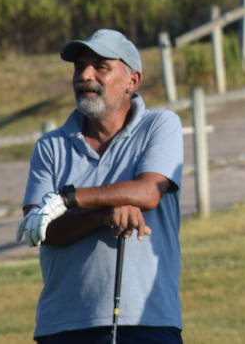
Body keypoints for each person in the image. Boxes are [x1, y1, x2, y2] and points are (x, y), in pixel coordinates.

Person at [18, 29, 184, 344]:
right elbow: (39, 229)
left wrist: (68, 198)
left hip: (147, 320)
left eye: (100, 67)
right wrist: (102, 216)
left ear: (132, 81)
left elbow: (148, 192)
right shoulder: (51, 146)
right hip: (63, 326)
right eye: (79, 67)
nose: (85, 75)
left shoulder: (160, 126)